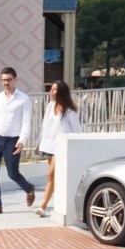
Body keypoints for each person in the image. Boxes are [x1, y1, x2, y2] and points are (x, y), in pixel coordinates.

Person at [0, 66, 36, 216]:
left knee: (13, 173)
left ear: (15, 80)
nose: (6, 83)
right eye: (3, 80)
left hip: (12, 141)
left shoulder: (23, 99)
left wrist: (22, 140)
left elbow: (26, 122)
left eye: (9, 80)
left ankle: (29, 188)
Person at [34, 80, 82, 217]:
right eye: (51, 89)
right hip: (49, 145)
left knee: (50, 175)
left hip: (60, 147)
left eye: (54, 89)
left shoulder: (69, 111)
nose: (51, 92)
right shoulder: (50, 106)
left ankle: (42, 206)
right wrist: (39, 142)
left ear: (61, 92)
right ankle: (62, 202)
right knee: (56, 177)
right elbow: (45, 125)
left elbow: (77, 130)